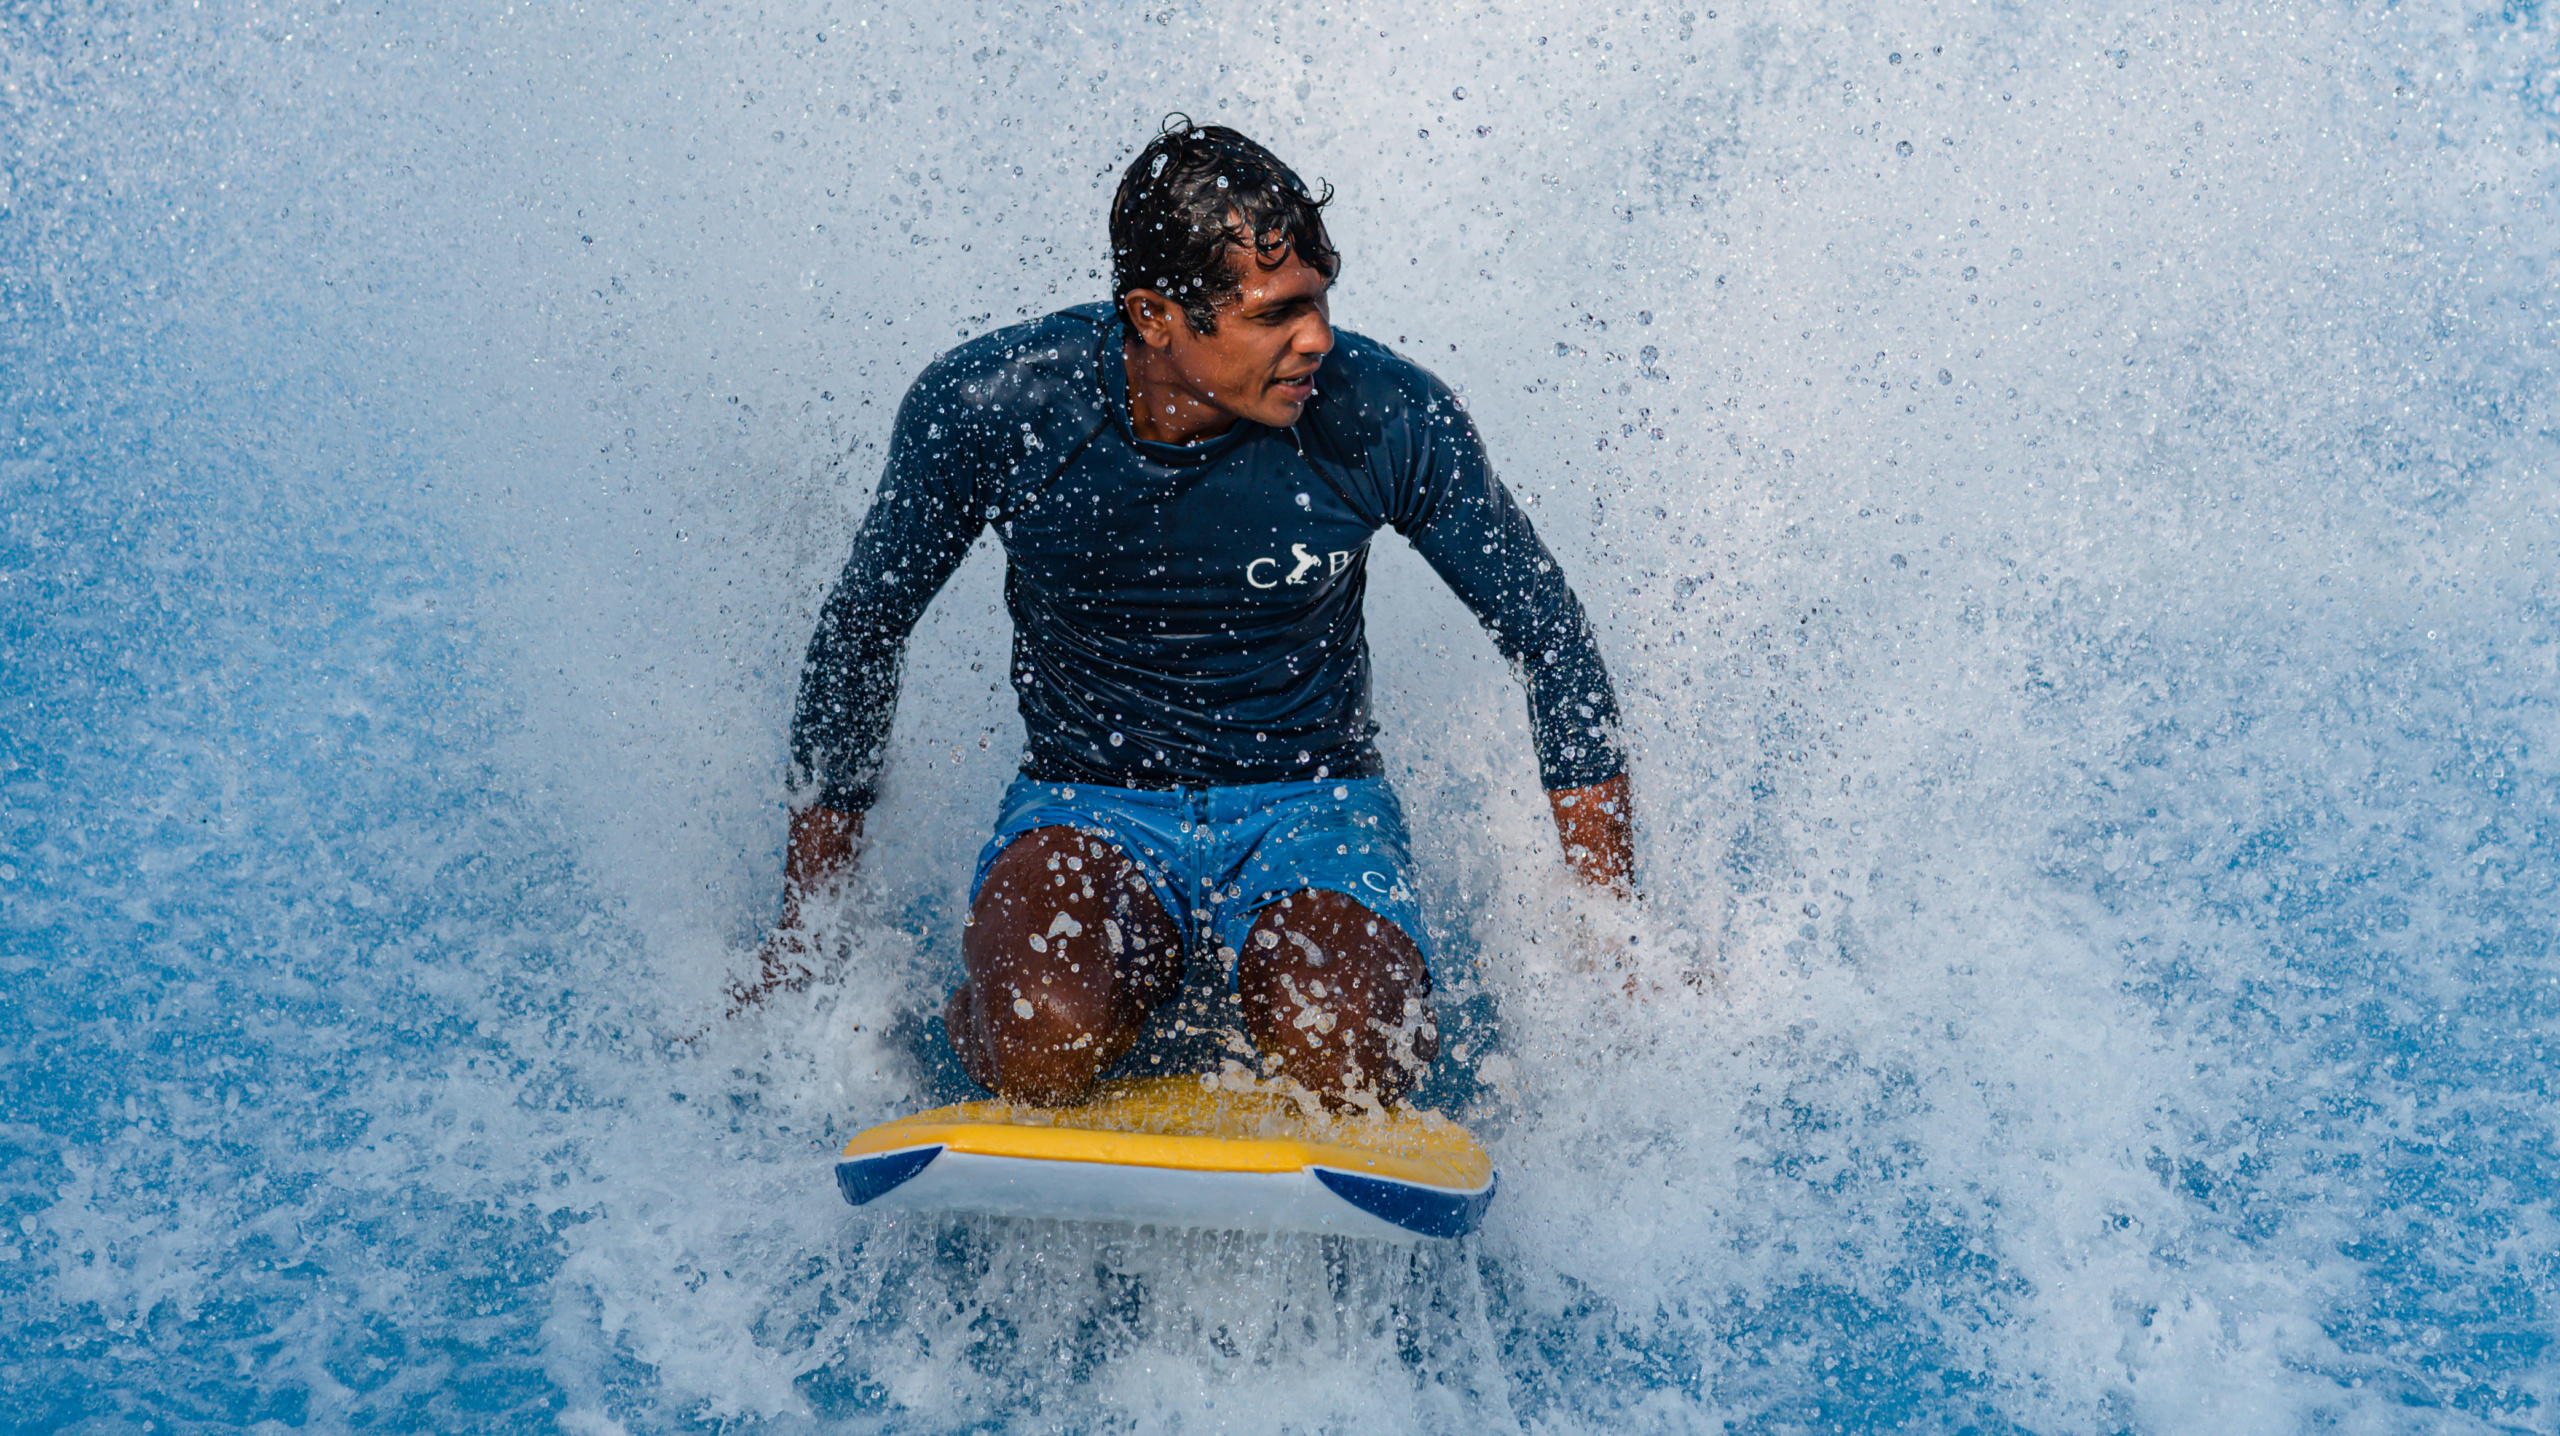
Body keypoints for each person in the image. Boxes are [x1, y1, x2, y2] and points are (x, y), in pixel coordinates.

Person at [752, 120, 1634, 1112]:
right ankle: (1002, 1007)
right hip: (1088, 804)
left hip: (1315, 803)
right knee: (1043, 1034)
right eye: (1277, 315)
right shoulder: (997, 410)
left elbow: (1549, 637)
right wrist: (807, 934)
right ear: (1156, 315)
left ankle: (1275, 978)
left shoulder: (1384, 414)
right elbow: (861, 636)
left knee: (1348, 1048)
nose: (1318, 340)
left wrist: (1609, 936)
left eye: (1320, 300)